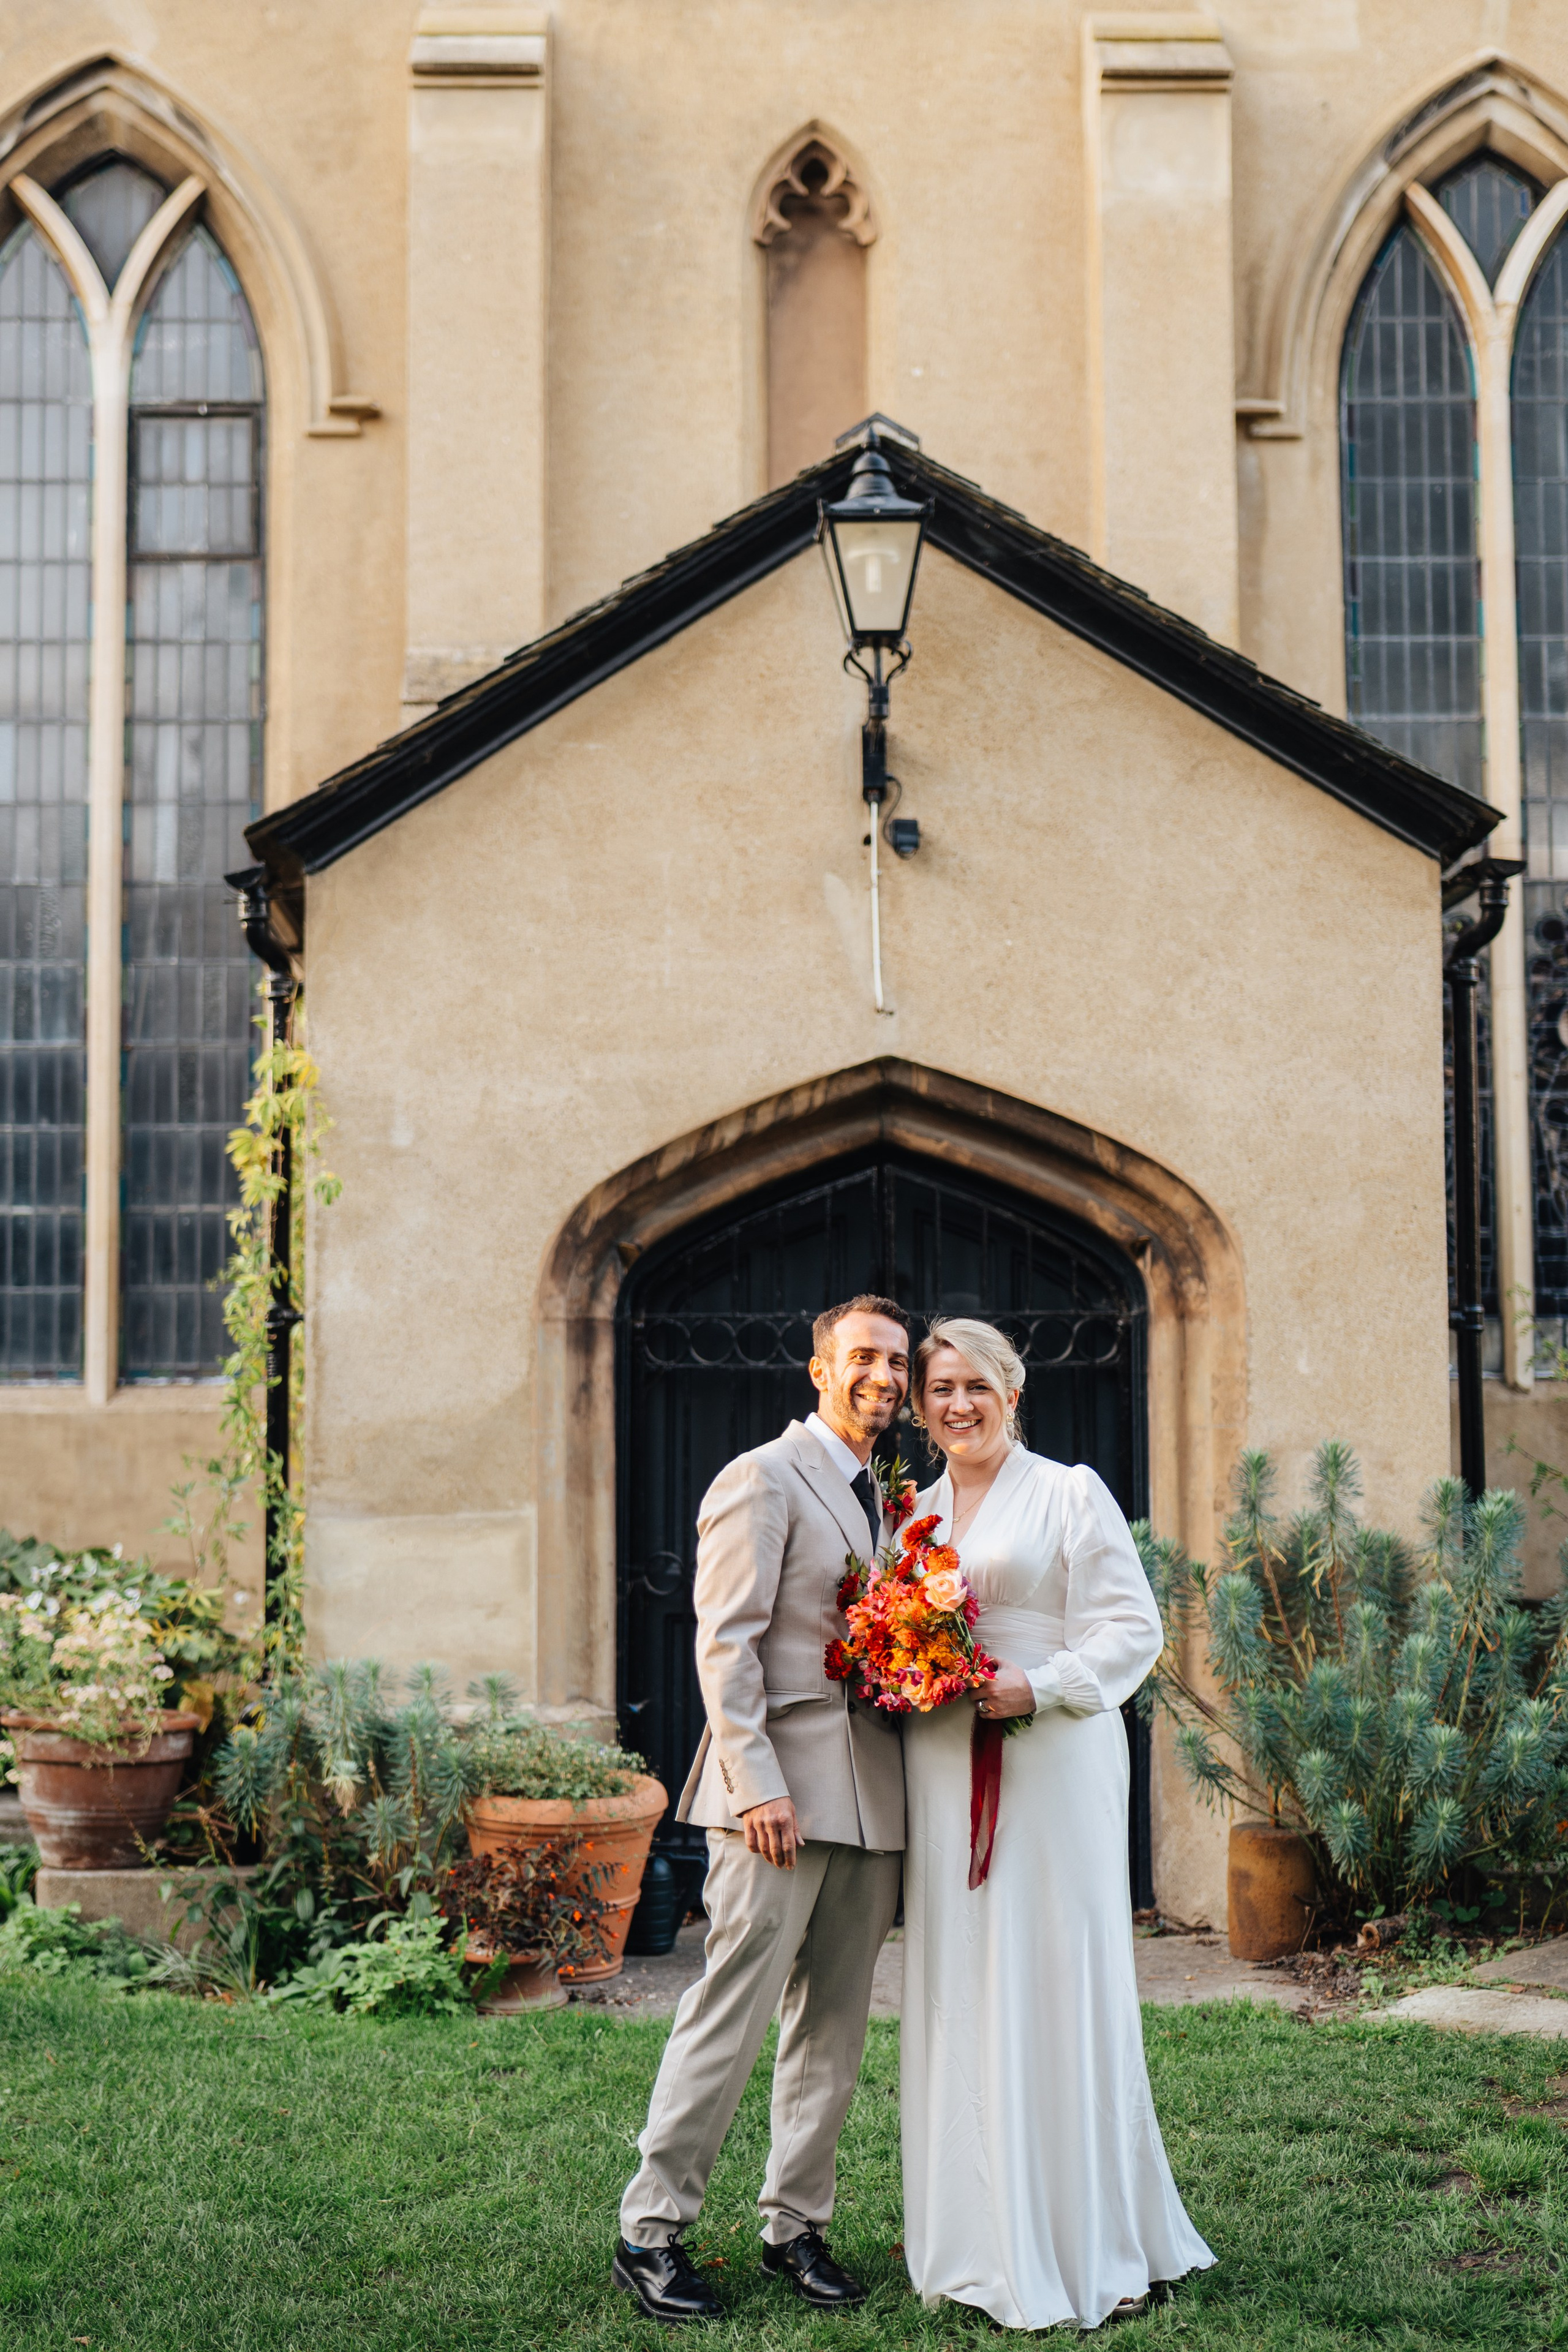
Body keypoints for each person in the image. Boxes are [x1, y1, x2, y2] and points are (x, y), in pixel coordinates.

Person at [900, 1316, 1215, 2331]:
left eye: (976, 1387)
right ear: (922, 1407)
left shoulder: (1073, 1491)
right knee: (965, 1975)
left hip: (1054, 1756)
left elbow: (1133, 1630)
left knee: (1055, 1972)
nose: (958, 1405)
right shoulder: (914, 1517)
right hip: (947, 1764)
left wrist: (1039, 1686)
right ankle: (979, 2236)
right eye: (940, 1389)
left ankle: (1086, 2238)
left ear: (1012, 1393)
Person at [614, 1295, 910, 2326]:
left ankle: (797, 2226)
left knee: (834, 2025)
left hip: (875, 1802)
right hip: (774, 1798)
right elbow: (724, 1645)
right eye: (863, 1356)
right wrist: (758, 1785)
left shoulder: (890, 1498)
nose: (885, 1374)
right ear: (820, 1369)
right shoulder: (762, 1478)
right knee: (731, 2012)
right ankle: (650, 2230)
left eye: (897, 1360)